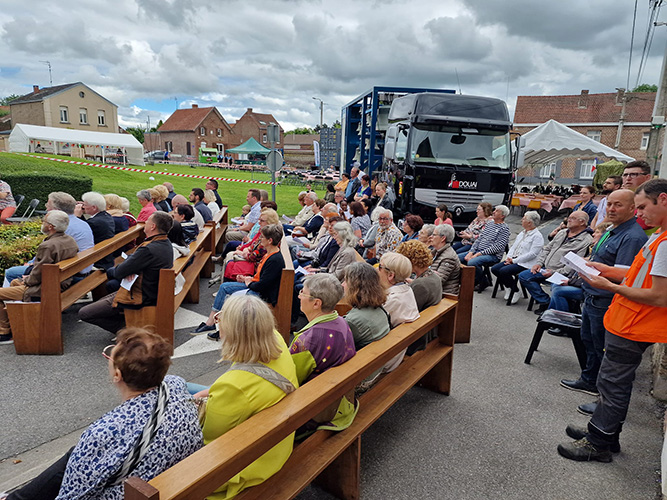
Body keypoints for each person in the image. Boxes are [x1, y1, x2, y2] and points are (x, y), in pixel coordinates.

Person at [2, 328, 202, 499]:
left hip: (136, 492)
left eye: (110, 356)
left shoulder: (104, 432)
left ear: (117, 375)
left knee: (80, 454)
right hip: (171, 480)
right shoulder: (175, 385)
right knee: (76, 454)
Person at [557, 178, 667, 463]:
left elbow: (659, 296)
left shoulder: (664, 242)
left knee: (613, 384)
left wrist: (610, 286)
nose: (639, 214)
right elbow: (638, 274)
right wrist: (606, 270)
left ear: (663, 200)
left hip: (634, 324)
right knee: (611, 383)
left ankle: (599, 443)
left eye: (642, 207)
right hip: (628, 320)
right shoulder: (659, 235)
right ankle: (605, 433)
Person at [195, 295, 298, 499]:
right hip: (276, 445)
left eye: (221, 318)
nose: (218, 322)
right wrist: (206, 393)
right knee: (189, 388)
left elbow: (207, 436)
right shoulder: (275, 339)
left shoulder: (232, 386)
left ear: (234, 333)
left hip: (244, 468)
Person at [559, 190, 647, 402]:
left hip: (605, 300)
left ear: (632, 208)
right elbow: (601, 258)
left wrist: (594, 270)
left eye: (618, 205)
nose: (611, 209)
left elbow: (624, 275)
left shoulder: (632, 236)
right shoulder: (611, 229)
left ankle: (601, 394)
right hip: (592, 295)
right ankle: (589, 380)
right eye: (609, 204)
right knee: (589, 341)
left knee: (602, 348)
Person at [78, 212, 174, 335]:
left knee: (85, 313)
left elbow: (118, 272)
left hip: (140, 294)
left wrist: (113, 270)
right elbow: (131, 265)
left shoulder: (148, 249)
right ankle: (127, 322)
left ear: (153, 226)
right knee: (104, 298)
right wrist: (130, 268)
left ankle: (126, 330)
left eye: (147, 221)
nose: (145, 222)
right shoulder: (165, 243)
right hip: (149, 290)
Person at [0, 211, 78, 345]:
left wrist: (27, 280)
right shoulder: (70, 240)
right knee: (14, 282)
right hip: (61, 282)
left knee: (9, 287)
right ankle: (16, 325)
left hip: (46, 288)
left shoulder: (48, 245)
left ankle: (4, 332)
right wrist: (28, 279)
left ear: (51, 227)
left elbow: (39, 273)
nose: (43, 223)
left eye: (44, 222)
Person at [195, 224, 285, 340]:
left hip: (263, 294)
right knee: (224, 287)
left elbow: (262, 286)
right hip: (256, 286)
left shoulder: (275, 260)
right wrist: (247, 278)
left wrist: (249, 283)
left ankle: (224, 330)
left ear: (270, 240)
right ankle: (211, 323)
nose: (259, 239)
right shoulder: (269, 254)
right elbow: (261, 278)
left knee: (232, 299)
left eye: (262, 237)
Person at [3, 192, 94, 287]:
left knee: (10, 273)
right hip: (79, 268)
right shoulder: (82, 223)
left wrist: (31, 264)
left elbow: (46, 257)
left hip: (68, 274)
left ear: (57, 211)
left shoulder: (63, 227)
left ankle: (13, 295)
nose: (46, 208)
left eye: (48, 205)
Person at [518, 210, 592, 314]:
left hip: (563, 274)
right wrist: (539, 263)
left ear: (582, 222)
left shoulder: (586, 240)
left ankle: (556, 314)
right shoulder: (562, 233)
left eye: (573, 218)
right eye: (569, 217)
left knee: (557, 288)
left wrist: (554, 272)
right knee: (524, 276)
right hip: (546, 268)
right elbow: (547, 249)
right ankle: (545, 301)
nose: (568, 220)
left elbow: (575, 264)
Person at [290, 274, 356, 383]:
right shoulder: (342, 321)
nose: (299, 296)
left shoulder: (307, 340)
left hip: (313, 391)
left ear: (316, 303)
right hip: (336, 386)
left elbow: (291, 377)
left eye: (303, 293)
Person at [491, 211, 544, 304]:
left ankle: (515, 291)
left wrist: (514, 260)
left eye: (524, 218)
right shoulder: (522, 233)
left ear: (529, 223)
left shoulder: (537, 236)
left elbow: (532, 254)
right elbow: (513, 247)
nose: (521, 220)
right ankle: (510, 287)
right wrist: (508, 258)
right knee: (495, 269)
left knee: (504, 271)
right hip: (514, 260)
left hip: (526, 263)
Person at [461, 205, 511, 291]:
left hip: (492, 255)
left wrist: (478, 254)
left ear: (502, 216)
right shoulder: (490, 224)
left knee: (472, 262)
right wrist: (471, 252)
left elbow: (497, 247)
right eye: (494, 210)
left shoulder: (504, 229)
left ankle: (483, 281)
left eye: (497, 211)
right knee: (458, 258)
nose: (493, 212)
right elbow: (479, 239)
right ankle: (469, 280)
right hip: (478, 251)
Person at [343, 262, 390, 350]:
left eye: (345, 281)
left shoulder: (353, 321)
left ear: (355, 287)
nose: (342, 284)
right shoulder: (379, 308)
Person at [223, 208, 278, 281]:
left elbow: (255, 255)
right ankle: (225, 282)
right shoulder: (263, 231)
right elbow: (253, 244)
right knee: (230, 259)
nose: (259, 223)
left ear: (270, 222)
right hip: (252, 260)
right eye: (259, 220)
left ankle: (227, 284)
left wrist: (243, 252)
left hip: (255, 267)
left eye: (262, 221)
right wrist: (246, 249)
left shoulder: (268, 236)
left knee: (230, 260)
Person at [396, 240, 442, 311]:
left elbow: (409, 309)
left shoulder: (420, 284)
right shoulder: (434, 276)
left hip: (423, 317)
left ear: (411, 261)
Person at [75, 191, 116, 270]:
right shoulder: (106, 216)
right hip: (105, 257)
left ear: (94, 207)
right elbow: (87, 224)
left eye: (85, 205)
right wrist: (81, 214)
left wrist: (77, 216)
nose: (83, 207)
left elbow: (79, 232)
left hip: (98, 261)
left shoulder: (95, 222)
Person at [622, 160, 655, 235]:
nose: (628, 178)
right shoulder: (620, 197)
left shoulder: (653, 199)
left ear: (647, 177)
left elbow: (644, 224)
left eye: (633, 174)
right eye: (625, 175)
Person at [429, 223, 461, 294]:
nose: (431, 237)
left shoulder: (449, 257)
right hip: (434, 291)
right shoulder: (436, 251)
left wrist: (425, 272)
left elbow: (438, 281)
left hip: (444, 294)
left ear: (443, 238)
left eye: (434, 235)